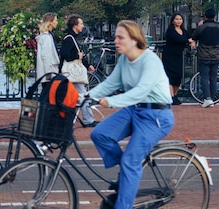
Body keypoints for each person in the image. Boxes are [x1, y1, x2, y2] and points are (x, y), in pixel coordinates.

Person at [88, 20, 174, 209]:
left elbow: (141, 91)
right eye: (115, 37)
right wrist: (86, 95)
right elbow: (110, 84)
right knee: (99, 134)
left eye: (120, 37)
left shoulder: (150, 60)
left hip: (156, 116)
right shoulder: (124, 60)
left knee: (130, 160)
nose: (115, 41)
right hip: (135, 109)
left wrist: (111, 102)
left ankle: (124, 203)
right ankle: (128, 171)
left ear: (134, 40)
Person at [60, 14, 97, 128]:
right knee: (82, 95)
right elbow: (66, 55)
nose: (82, 26)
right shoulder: (70, 39)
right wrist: (78, 56)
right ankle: (88, 120)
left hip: (72, 73)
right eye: (81, 23)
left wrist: (88, 64)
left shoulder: (72, 38)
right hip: (73, 73)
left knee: (75, 96)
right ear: (75, 25)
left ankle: (72, 119)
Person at [189, 8, 219, 108]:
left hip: (204, 54)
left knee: (204, 77)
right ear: (214, 16)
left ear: (205, 16)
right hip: (216, 54)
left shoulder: (202, 27)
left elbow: (194, 36)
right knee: (213, 77)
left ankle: (207, 98)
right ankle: (212, 99)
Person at [162, 13, 191, 105]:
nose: (178, 21)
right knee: (169, 76)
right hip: (169, 55)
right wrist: (188, 41)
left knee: (178, 76)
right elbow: (178, 39)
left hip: (178, 56)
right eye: (176, 19)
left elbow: (190, 36)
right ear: (173, 21)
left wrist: (192, 40)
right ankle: (171, 97)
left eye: (180, 19)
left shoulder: (183, 30)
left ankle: (175, 95)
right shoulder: (170, 30)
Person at [35, 12, 59, 89]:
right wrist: (49, 75)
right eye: (55, 20)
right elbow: (46, 56)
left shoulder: (47, 36)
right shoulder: (46, 37)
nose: (57, 22)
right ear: (50, 22)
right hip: (49, 72)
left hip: (48, 72)